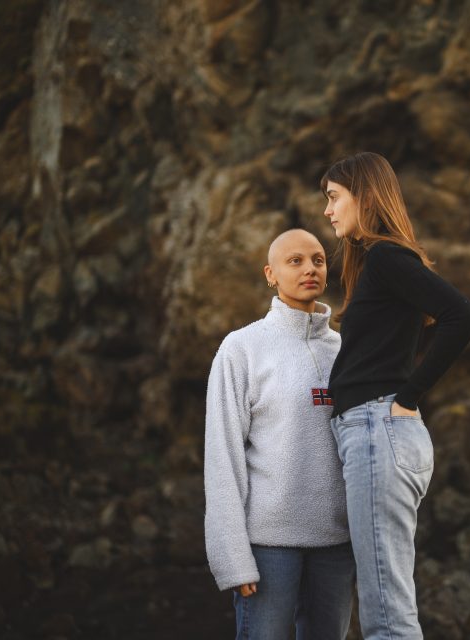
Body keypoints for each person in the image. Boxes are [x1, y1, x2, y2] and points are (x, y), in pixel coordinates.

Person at [321, 152, 470, 639]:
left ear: (363, 196)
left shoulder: (388, 256)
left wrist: (407, 397)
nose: (328, 211)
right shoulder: (377, 263)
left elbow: (463, 316)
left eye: (333, 198)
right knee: (386, 604)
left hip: (379, 431)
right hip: (378, 434)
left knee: (387, 616)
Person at [203, 229, 355, 640]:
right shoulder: (242, 348)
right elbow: (223, 457)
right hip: (269, 546)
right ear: (270, 274)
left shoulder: (344, 351)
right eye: (295, 261)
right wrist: (231, 557)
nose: (310, 268)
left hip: (338, 544)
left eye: (318, 259)